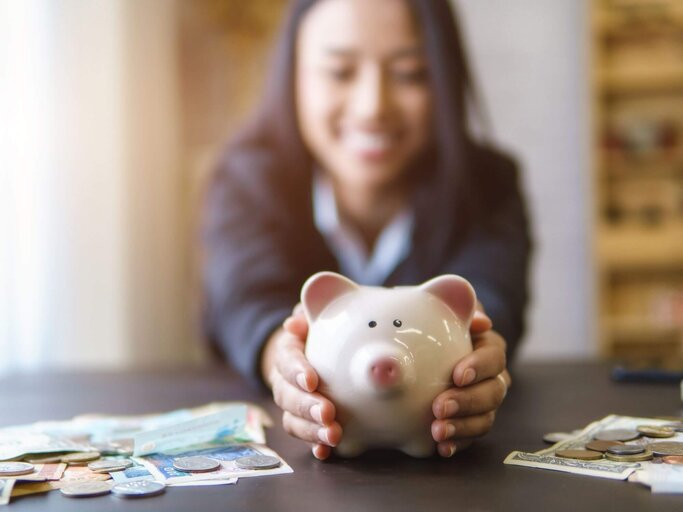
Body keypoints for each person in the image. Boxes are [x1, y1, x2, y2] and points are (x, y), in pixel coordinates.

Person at [202, 0, 532, 460]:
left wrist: (478, 351)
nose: (373, 106)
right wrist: (287, 361)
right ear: (292, 75)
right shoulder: (245, 180)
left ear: (444, 78)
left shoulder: (488, 183)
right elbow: (246, 300)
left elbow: (493, 297)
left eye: (411, 73)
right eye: (339, 71)